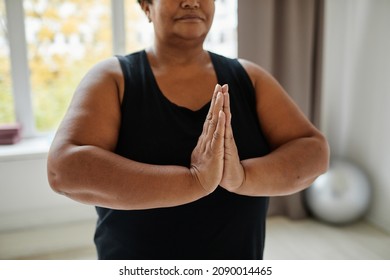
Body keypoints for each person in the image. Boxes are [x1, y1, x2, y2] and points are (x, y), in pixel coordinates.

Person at [47, 0, 329, 260]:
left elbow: (314, 152)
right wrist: (194, 181)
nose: (192, 1)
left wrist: (241, 177)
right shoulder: (113, 78)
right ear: (147, 5)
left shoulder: (249, 78)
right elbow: (64, 169)